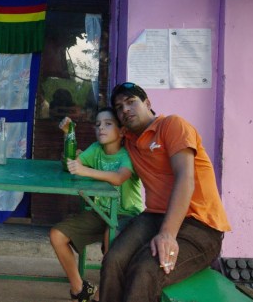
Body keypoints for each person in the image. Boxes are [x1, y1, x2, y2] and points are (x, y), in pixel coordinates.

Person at [99, 82, 231, 302]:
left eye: (131, 102)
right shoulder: (129, 141)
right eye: (119, 108)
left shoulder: (172, 125)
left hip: (200, 225)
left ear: (147, 103)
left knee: (145, 270)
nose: (125, 110)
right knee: (114, 259)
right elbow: (102, 148)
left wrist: (168, 234)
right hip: (155, 216)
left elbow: (185, 178)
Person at [50, 108, 143, 302]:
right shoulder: (95, 149)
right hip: (100, 212)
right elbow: (71, 165)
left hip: (126, 214)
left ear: (122, 131)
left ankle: (103, 294)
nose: (101, 128)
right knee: (57, 235)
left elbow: (119, 178)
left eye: (108, 124)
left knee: (111, 234)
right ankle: (79, 289)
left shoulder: (127, 155)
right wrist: (68, 135)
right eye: (98, 124)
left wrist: (85, 170)